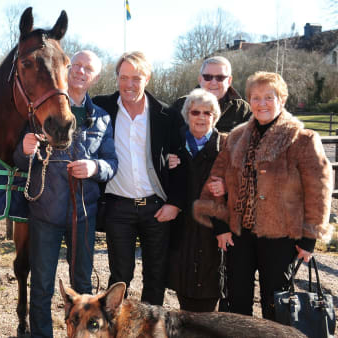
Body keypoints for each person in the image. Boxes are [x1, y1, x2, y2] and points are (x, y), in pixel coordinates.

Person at [193, 71, 333, 321]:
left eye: (269, 97)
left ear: (282, 100)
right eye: (256, 98)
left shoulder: (302, 139)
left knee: (277, 302)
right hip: (239, 234)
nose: (261, 103)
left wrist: (310, 236)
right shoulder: (235, 138)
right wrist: (221, 225)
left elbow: (318, 190)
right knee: (237, 301)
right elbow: (215, 181)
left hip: (282, 235)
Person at [13, 50, 117, 338]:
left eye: (88, 69)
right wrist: (24, 151)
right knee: (43, 285)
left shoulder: (102, 119)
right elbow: (20, 161)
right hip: (45, 212)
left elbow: (112, 163)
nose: (81, 72)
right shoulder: (39, 111)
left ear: (95, 77)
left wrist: (95, 167)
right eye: (77, 66)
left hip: (83, 215)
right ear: (68, 69)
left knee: (82, 285)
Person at [92, 51, 186, 305]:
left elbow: (182, 162)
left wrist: (175, 204)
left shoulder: (166, 115)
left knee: (156, 276)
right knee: (120, 276)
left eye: (136, 78)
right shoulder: (102, 108)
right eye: (124, 77)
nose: (129, 84)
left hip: (157, 208)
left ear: (147, 78)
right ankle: (116, 327)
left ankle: (149, 330)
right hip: (117, 207)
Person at [166, 89, 227, 312]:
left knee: (210, 297)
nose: (201, 117)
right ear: (187, 115)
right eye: (195, 112)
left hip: (215, 232)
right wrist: (165, 163)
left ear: (215, 116)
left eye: (208, 113)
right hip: (183, 232)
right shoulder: (175, 148)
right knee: (185, 296)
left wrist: (228, 186)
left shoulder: (227, 147)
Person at [171, 56, 250, 133]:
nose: (213, 82)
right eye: (207, 77)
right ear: (200, 79)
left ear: (229, 81)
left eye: (220, 77)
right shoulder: (180, 105)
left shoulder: (243, 109)